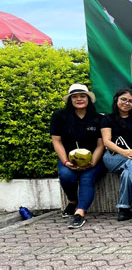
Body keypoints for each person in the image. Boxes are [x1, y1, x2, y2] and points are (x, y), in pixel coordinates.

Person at [50, 84, 104, 229]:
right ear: (70, 100)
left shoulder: (98, 118)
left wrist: (92, 162)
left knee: (87, 178)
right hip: (69, 159)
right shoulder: (59, 116)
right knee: (67, 175)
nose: (79, 99)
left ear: (88, 98)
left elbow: (101, 144)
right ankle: (73, 201)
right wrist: (65, 161)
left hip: (93, 159)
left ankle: (79, 214)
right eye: (75, 96)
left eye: (82, 96)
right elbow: (57, 141)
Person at [100, 89, 132, 221]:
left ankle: (124, 208)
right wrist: (124, 152)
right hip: (113, 155)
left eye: (130, 101)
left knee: (128, 171)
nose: (126, 103)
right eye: (123, 99)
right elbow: (106, 142)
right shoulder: (107, 119)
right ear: (116, 99)